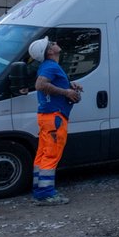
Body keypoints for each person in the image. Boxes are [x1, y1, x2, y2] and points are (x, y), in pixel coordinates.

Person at [30, 36, 82, 205]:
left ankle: (39, 189)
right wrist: (66, 93)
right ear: (50, 51)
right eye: (51, 43)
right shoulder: (51, 66)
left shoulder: (48, 66)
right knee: (51, 154)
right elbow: (40, 85)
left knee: (43, 154)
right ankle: (46, 194)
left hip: (47, 116)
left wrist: (69, 86)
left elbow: (47, 85)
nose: (54, 43)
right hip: (55, 117)